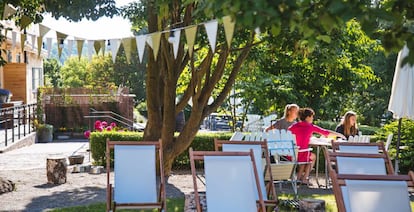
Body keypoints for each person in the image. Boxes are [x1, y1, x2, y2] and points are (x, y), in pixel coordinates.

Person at [288, 108, 345, 185]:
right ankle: (304, 178)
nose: (313, 118)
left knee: (308, 157)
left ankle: (300, 177)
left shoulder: (293, 126)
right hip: (301, 154)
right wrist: (338, 134)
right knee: (312, 158)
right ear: (308, 117)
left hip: (290, 154)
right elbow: (325, 132)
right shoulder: (310, 126)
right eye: (312, 117)